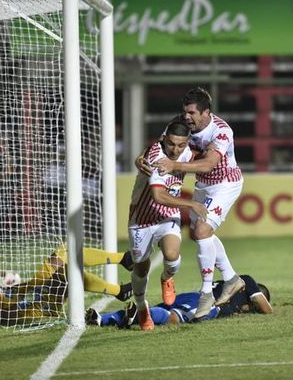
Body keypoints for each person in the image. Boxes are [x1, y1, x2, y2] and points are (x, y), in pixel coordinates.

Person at [148, 87, 246, 321]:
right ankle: (232, 279)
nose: (187, 117)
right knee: (202, 235)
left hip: (225, 183)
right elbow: (161, 144)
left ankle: (206, 293)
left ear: (205, 113)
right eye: (185, 112)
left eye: (192, 113)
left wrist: (174, 166)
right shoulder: (181, 125)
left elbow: (208, 164)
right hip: (204, 186)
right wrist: (142, 158)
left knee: (202, 231)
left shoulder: (221, 131)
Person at [128, 120, 208, 331]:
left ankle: (167, 278)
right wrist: (192, 203)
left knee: (172, 256)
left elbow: (206, 157)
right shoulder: (156, 157)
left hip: (167, 215)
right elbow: (158, 195)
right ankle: (141, 306)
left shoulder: (187, 152)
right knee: (141, 269)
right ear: (164, 139)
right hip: (142, 219)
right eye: (171, 144)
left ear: (186, 143)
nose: (175, 150)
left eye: (181, 145)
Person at [0, 244, 134, 326]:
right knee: (62, 254)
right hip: (33, 307)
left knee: (66, 270)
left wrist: (17, 288)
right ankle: (123, 259)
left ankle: (120, 291)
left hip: (34, 305)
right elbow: (5, 305)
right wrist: (30, 287)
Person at [86, 274, 273, 328]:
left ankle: (101, 319)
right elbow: (267, 310)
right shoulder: (247, 282)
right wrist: (255, 305)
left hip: (194, 295)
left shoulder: (230, 284)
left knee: (162, 312)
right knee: (174, 318)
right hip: (209, 304)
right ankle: (137, 316)